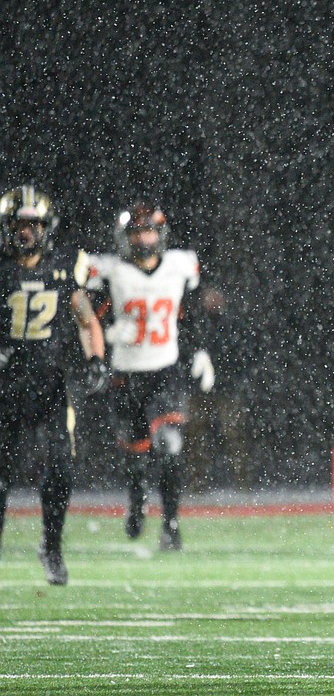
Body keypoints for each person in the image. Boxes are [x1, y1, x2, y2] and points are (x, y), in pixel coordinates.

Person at [87, 203, 214, 552]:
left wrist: (201, 350)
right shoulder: (110, 272)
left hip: (165, 370)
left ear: (160, 235)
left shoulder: (178, 266)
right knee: (135, 454)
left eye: (149, 232)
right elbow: (84, 316)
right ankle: (137, 500)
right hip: (126, 375)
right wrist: (110, 334)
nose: (144, 239)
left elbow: (190, 310)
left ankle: (171, 524)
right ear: (125, 238)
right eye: (137, 233)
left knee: (169, 446)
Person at [0, 185, 108, 586]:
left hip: (49, 384)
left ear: (46, 228)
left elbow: (86, 320)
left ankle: (52, 546)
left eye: (33, 225)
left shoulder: (65, 266)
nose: (25, 233)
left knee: (62, 469)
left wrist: (96, 359)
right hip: (4, 387)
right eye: (18, 224)